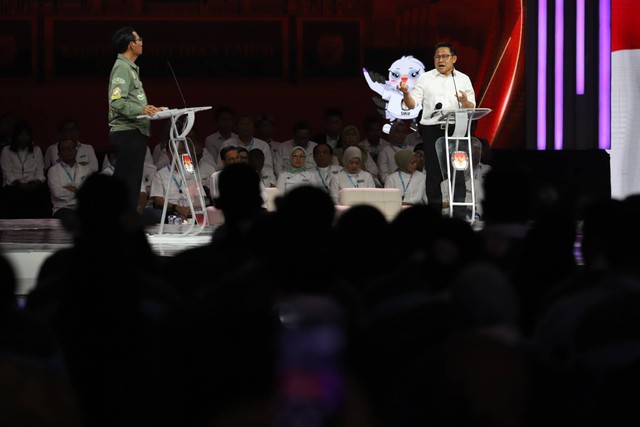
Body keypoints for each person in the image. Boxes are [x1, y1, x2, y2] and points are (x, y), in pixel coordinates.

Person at [399, 41, 476, 214]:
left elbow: (471, 106)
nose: (440, 60)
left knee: (457, 171)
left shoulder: (463, 79)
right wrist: (405, 93)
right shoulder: (426, 78)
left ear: (454, 59)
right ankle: (434, 213)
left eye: (444, 56)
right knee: (434, 173)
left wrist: (464, 102)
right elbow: (411, 104)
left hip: (457, 129)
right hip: (432, 130)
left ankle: (459, 215)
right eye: (437, 57)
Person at [108, 26, 162, 212]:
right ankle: (118, 224)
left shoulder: (130, 68)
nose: (141, 43)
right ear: (131, 45)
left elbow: (133, 102)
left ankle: (125, 224)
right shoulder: (122, 68)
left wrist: (151, 110)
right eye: (139, 40)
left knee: (131, 183)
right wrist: (142, 109)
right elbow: (116, 102)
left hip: (134, 132)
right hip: (127, 133)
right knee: (126, 183)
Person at [0, 120, 49, 218]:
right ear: (16, 135)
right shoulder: (6, 150)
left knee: (42, 193)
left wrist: (37, 182)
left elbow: (40, 171)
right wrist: (18, 184)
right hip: (14, 185)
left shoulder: (36, 150)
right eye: (21, 134)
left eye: (27, 134)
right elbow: (7, 172)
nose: (24, 137)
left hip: (33, 183)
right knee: (16, 196)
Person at [47, 138, 92, 221]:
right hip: (62, 208)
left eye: (72, 148)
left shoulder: (85, 169)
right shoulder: (53, 170)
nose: (70, 151)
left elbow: (89, 193)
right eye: (66, 149)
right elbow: (57, 193)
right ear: (59, 154)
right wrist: (79, 191)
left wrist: (72, 189)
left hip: (81, 207)